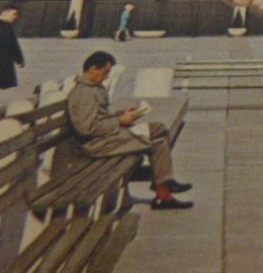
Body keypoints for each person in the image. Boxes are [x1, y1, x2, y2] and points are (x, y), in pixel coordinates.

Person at [66, 51, 193, 210]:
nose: (106, 76)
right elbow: (86, 129)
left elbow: (100, 117)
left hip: (105, 139)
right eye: (105, 72)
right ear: (92, 68)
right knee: (157, 137)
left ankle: (164, 190)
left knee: (159, 134)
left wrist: (122, 114)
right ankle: (164, 188)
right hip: (96, 145)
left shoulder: (94, 88)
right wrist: (120, 121)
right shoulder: (83, 94)